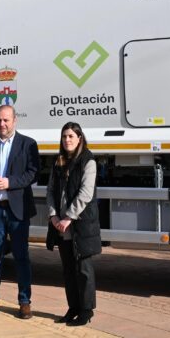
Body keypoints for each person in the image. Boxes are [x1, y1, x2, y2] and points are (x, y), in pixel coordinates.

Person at [0, 104, 39, 318]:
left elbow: (33, 174)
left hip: (18, 209)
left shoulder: (28, 144)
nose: (2, 124)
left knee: (21, 256)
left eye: (6, 120)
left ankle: (24, 302)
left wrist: (10, 183)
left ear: (14, 120)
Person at [46, 122, 101, 326]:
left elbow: (85, 194)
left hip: (79, 225)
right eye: (64, 136)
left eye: (71, 136)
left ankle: (86, 311)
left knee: (83, 269)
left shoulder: (88, 161)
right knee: (68, 270)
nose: (67, 140)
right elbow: (50, 191)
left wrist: (68, 217)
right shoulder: (58, 162)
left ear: (79, 138)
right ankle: (73, 307)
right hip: (61, 226)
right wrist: (53, 216)